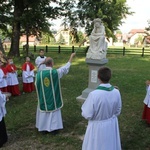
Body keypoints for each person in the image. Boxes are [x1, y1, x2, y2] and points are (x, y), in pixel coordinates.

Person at [81, 66, 122, 150]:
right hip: (111, 123)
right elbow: (118, 110)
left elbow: (87, 114)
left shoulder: (94, 95)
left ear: (98, 77)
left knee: (97, 145)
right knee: (109, 144)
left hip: (97, 127)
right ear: (110, 76)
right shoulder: (116, 92)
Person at [35, 53, 76, 133]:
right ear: (52, 63)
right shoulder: (55, 73)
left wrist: (41, 63)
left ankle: (43, 128)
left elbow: (36, 84)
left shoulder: (39, 74)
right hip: (53, 98)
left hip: (43, 98)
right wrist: (71, 57)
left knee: (44, 110)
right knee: (53, 111)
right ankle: (54, 128)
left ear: (45, 63)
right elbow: (65, 68)